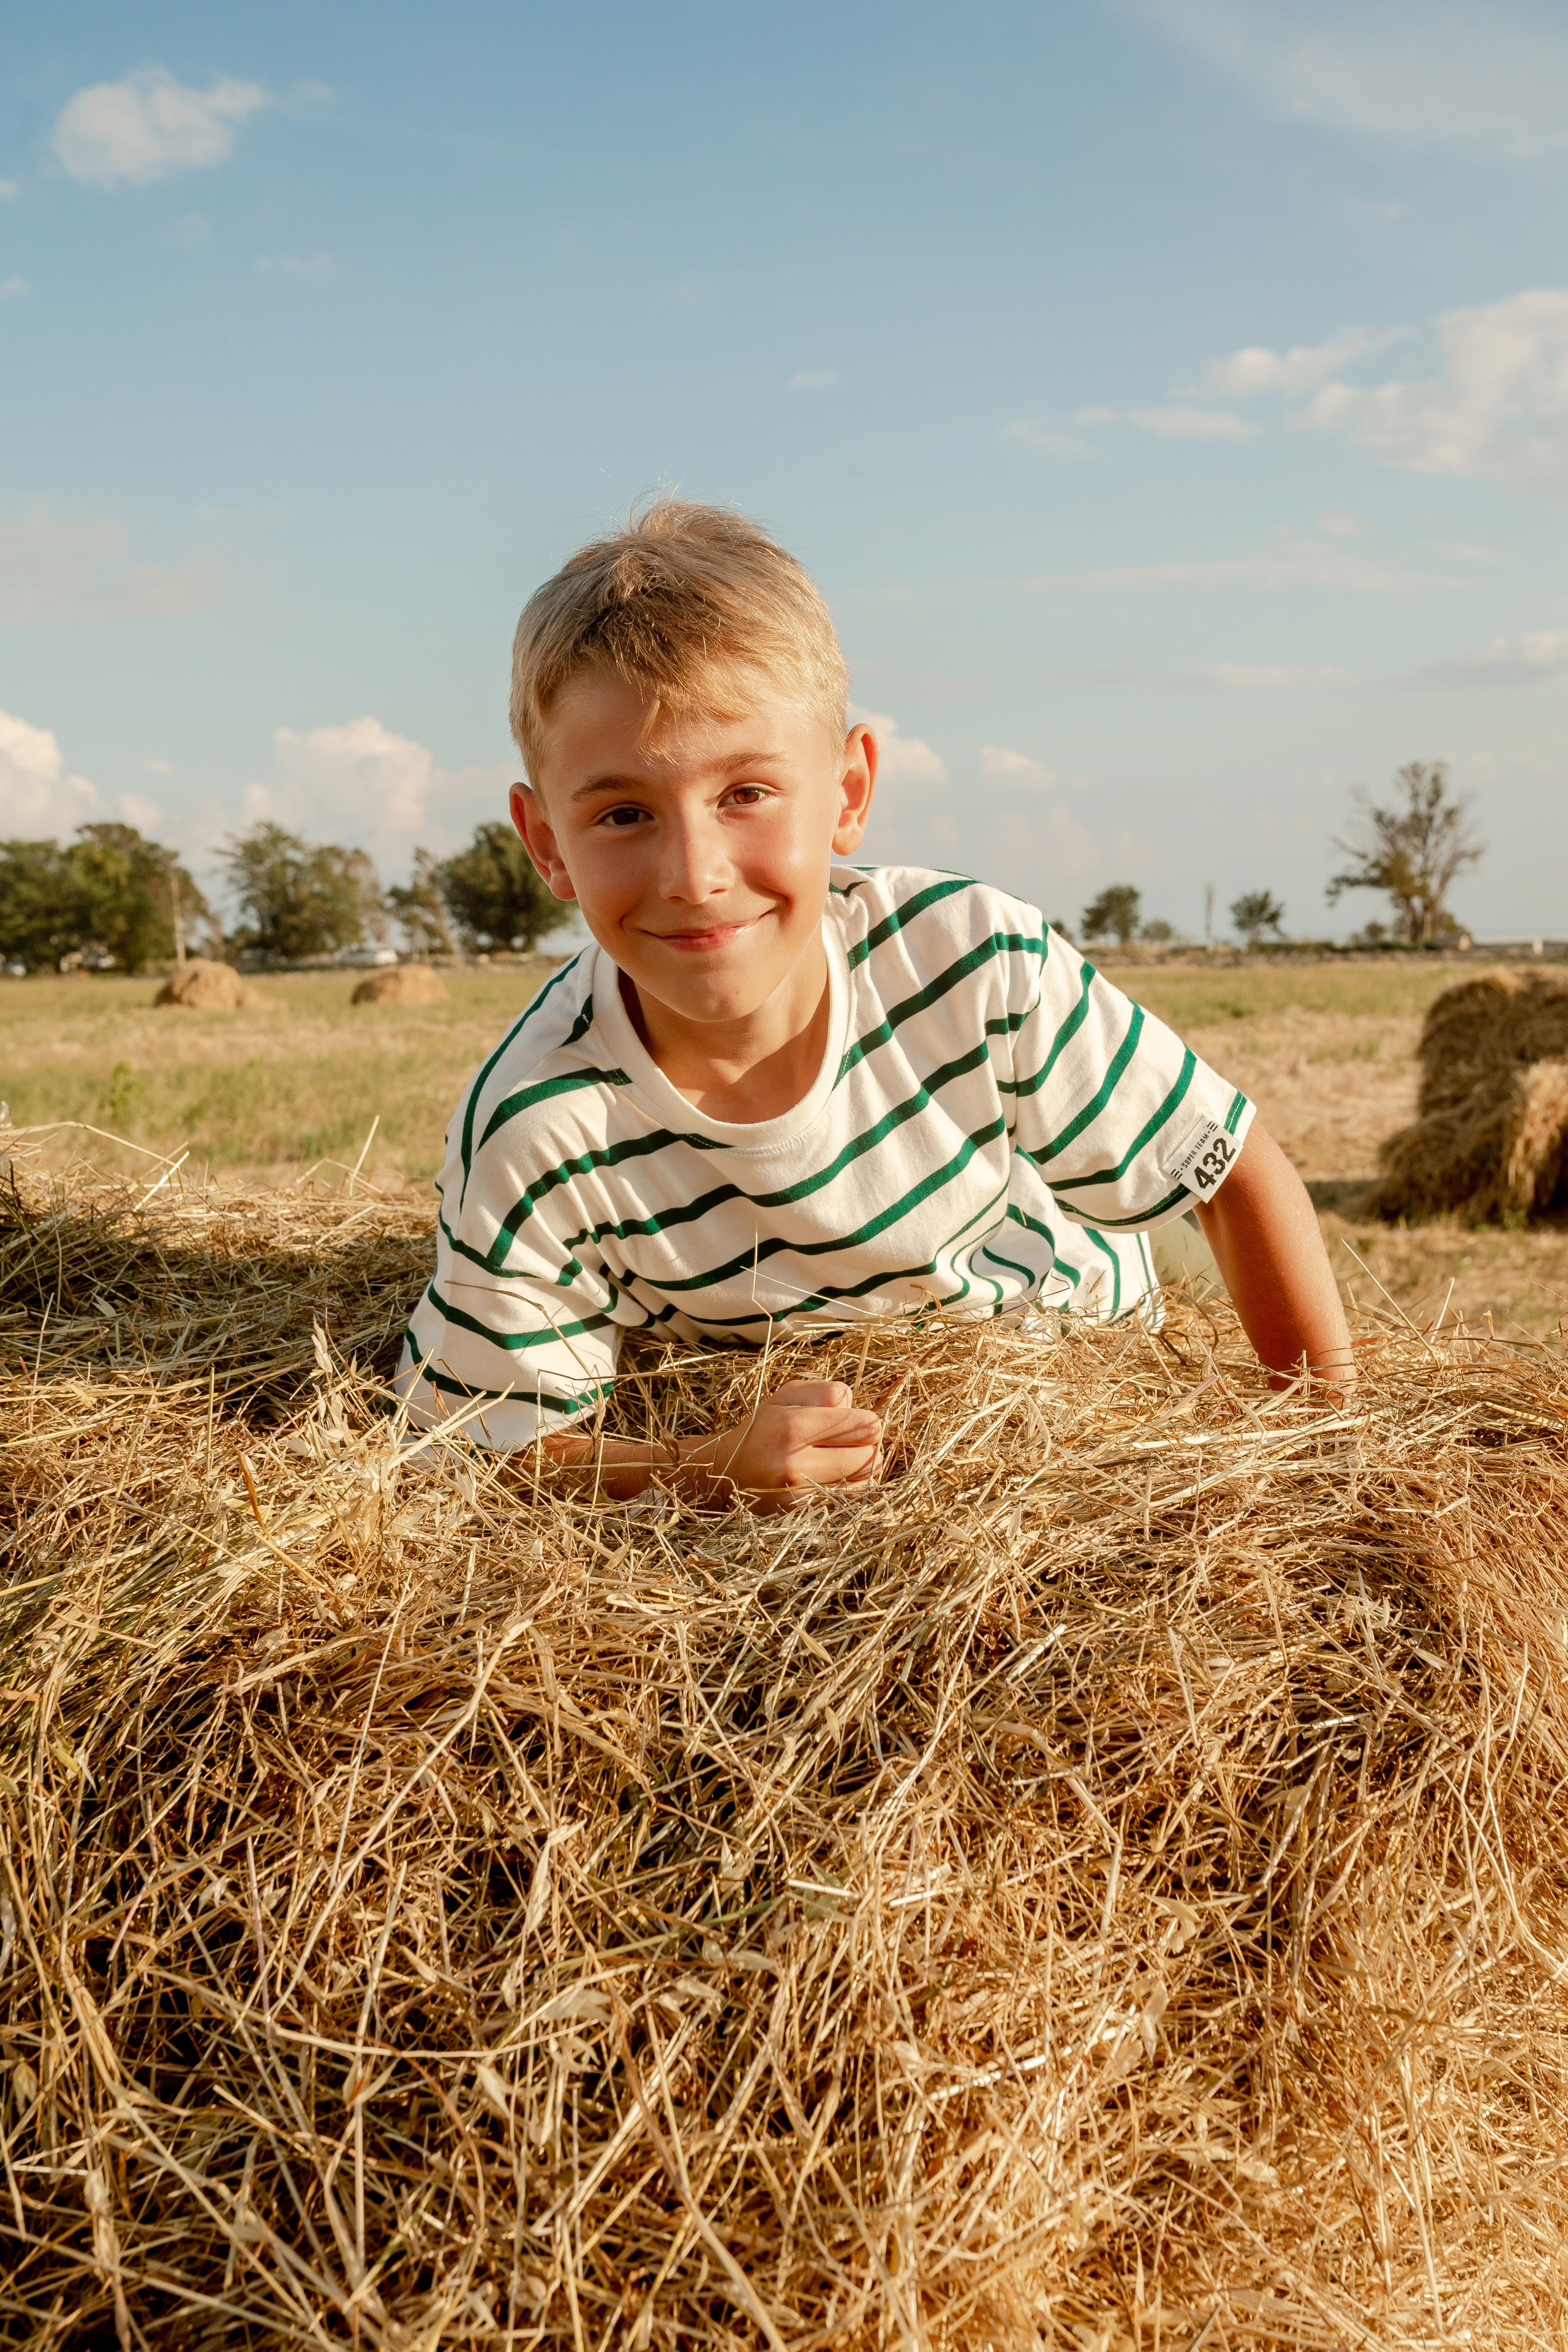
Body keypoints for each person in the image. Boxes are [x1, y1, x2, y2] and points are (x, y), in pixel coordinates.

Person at [396, 501, 1352, 1507]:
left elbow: (1229, 1168)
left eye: (747, 793)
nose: (694, 873)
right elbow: (481, 1452)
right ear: (545, 842)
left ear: (848, 791)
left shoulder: (974, 963)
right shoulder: (540, 1128)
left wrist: (1330, 1459)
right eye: (623, 814)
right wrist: (706, 1471)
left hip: (1091, 1394)